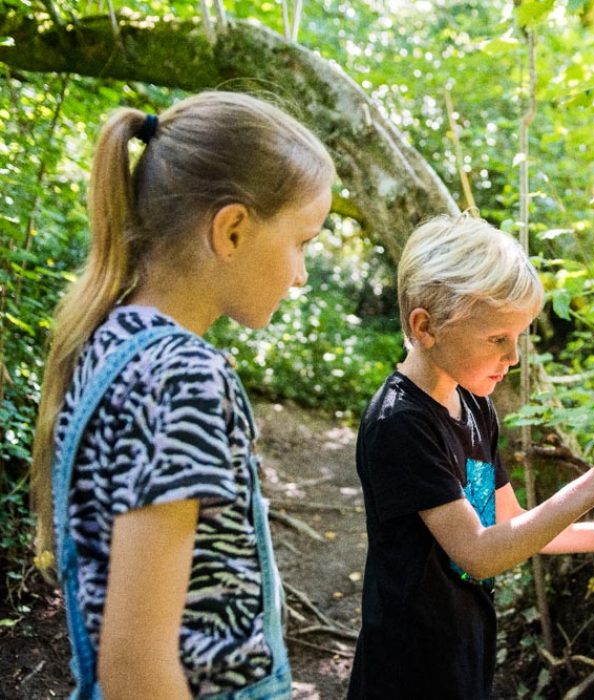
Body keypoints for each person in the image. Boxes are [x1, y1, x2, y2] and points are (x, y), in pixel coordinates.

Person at [30, 91, 334, 699]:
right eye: (301, 242)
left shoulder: (111, 341)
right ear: (232, 229)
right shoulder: (183, 377)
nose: (301, 274)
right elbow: (137, 671)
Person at [347, 214, 594, 699]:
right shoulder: (400, 423)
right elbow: (478, 554)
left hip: (462, 654)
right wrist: (589, 488)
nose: (513, 357)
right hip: (407, 670)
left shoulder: (474, 404)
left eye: (518, 337)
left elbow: (508, 522)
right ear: (425, 327)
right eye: (497, 338)